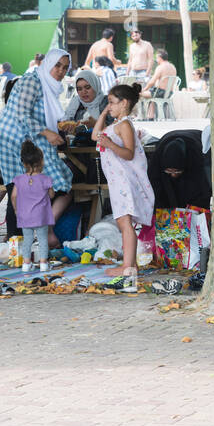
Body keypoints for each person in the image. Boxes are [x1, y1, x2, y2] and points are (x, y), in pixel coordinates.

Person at [0, 48, 74, 245]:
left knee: (55, 182)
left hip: (29, 138)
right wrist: (48, 133)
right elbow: (22, 114)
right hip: (12, 138)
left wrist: (63, 127)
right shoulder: (32, 80)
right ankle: (16, 238)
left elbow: (45, 115)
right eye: (57, 65)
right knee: (21, 185)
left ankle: (32, 233)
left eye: (65, 67)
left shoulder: (49, 85)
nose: (61, 71)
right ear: (48, 64)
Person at [92, 83, 154, 291]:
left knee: (124, 222)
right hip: (117, 182)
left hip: (125, 182)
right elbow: (95, 136)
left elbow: (129, 152)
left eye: (111, 102)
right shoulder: (115, 123)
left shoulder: (125, 124)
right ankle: (131, 264)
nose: (109, 106)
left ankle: (127, 267)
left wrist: (110, 145)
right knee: (123, 221)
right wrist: (103, 112)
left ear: (124, 103)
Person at [13, 140, 54, 273]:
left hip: (25, 215)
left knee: (27, 240)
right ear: (41, 161)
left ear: (24, 163)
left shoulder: (19, 179)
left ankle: (26, 264)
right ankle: (43, 264)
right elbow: (52, 195)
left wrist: (16, 209)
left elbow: (13, 196)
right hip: (41, 215)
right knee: (42, 239)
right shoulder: (46, 179)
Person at [148, 128, 212, 210]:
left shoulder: (196, 158)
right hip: (169, 137)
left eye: (177, 171)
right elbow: (155, 187)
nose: (173, 175)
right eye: (169, 171)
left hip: (194, 149)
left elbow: (202, 190)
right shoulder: (157, 160)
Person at [141, 49, 179, 116]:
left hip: (160, 93)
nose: (156, 60)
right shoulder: (173, 67)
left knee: (139, 94)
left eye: (156, 58)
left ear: (159, 58)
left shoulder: (160, 67)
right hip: (169, 93)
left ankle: (141, 116)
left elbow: (152, 82)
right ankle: (150, 117)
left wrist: (144, 89)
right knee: (151, 96)